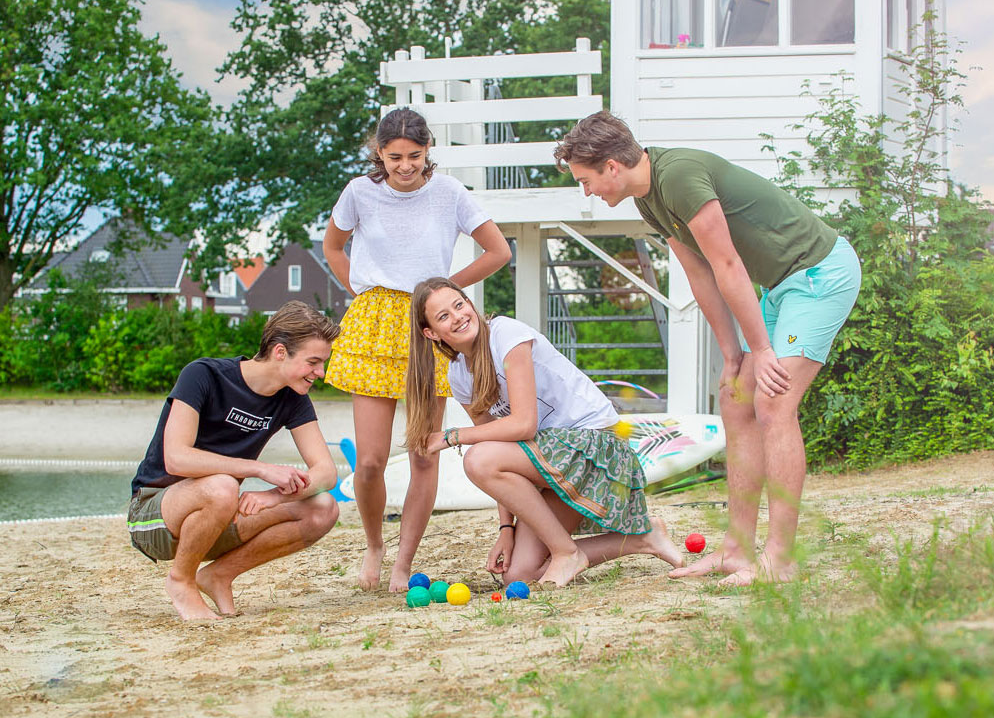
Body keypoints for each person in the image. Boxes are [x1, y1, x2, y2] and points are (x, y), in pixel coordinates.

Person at [554, 111, 861, 586]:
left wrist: (760, 349)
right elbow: (701, 275)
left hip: (818, 273)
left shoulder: (677, 175)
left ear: (612, 166)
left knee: (774, 401)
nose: (587, 191)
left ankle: (781, 560)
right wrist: (734, 354)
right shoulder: (647, 200)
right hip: (781, 285)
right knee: (737, 400)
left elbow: (728, 263)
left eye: (586, 180)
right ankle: (736, 551)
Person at [323, 107, 511, 593]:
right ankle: (374, 545)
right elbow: (334, 248)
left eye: (414, 155)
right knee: (369, 461)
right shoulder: (359, 193)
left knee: (425, 453)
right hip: (374, 325)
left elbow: (498, 251)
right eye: (394, 157)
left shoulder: (449, 192)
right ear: (379, 154)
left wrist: (445, 291)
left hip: (429, 325)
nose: (405, 166)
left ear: (428, 150)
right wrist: (363, 293)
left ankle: (404, 563)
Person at [406, 277, 682, 587]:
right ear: (430, 332)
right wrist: (505, 530)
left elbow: (524, 425)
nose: (457, 316)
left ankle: (566, 552)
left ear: (470, 304)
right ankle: (643, 539)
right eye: (443, 316)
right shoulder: (459, 373)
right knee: (519, 574)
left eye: (459, 305)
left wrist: (450, 436)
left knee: (477, 458)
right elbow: (493, 441)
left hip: (595, 444)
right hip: (552, 459)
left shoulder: (505, 335)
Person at [127, 302, 340, 621]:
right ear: (280, 352)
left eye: (322, 363)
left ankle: (217, 576)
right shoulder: (203, 375)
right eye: (313, 362)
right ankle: (181, 580)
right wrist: (259, 469)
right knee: (222, 487)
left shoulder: (293, 399)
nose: (320, 373)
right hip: (153, 514)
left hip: (215, 514)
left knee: (324, 507)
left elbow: (326, 473)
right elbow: (176, 458)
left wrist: (271, 497)